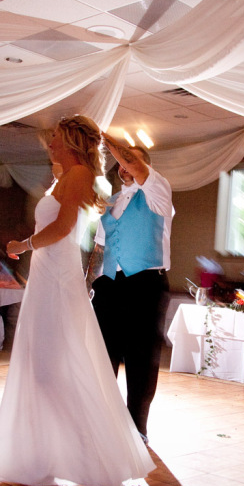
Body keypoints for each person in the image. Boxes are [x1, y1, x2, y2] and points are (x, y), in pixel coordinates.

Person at [0, 115, 155, 486]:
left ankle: (86, 448)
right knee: (38, 366)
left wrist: (22, 245)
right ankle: (43, 452)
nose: (51, 144)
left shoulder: (78, 175)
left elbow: (62, 229)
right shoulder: (63, 176)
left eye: (57, 139)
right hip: (47, 277)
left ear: (73, 142)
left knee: (49, 368)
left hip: (58, 280)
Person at [90, 138, 174, 444]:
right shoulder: (111, 202)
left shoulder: (158, 193)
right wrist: (90, 283)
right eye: (122, 163)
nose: (124, 166)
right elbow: (99, 248)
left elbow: (136, 165)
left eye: (131, 162)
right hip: (109, 285)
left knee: (141, 360)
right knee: (103, 356)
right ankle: (104, 423)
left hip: (146, 285)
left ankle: (137, 428)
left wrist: (106, 137)